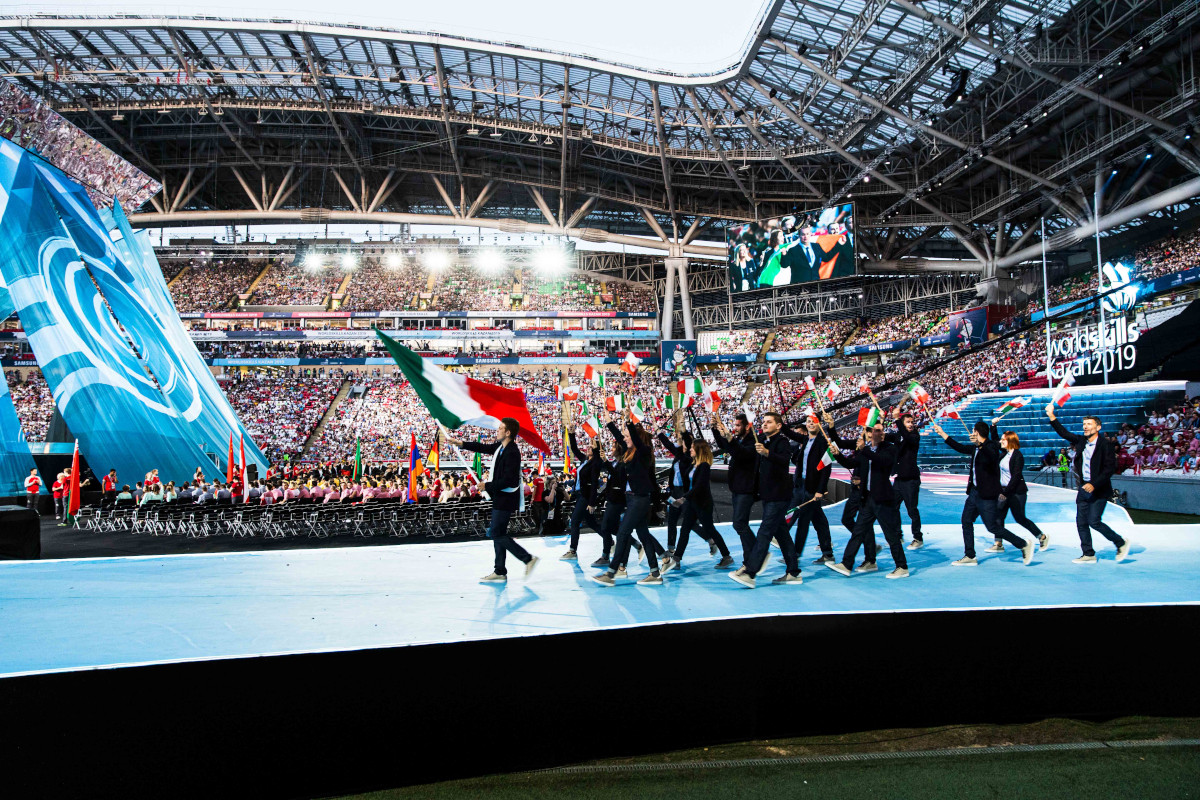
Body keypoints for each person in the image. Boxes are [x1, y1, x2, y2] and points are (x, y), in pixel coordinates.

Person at [446, 418, 540, 584]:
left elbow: (509, 480)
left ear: (508, 433)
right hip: (500, 497)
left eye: (501, 428)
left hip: (506, 498)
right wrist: (460, 443)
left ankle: (527, 558)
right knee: (499, 534)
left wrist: (487, 486)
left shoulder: (512, 452)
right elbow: (483, 448)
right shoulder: (500, 448)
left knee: (495, 533)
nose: (498, 431)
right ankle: (500, 571)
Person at [931, 419, 1033, 566]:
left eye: (973, 431)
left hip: (987, 495)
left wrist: (980, 444)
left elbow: (990, 457)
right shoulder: (975, 448)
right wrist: (942, 434)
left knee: (992, 527)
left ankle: (1023, 544)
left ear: (977, 433)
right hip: (974, 493)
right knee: (966, 520)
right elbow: (959, 447)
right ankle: (970, 555)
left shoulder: (991, 446)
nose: (972, 434)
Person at [826, 421, 910, 579]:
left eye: (880, 431)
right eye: (874, 430)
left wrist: (864, 450)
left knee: (891, 535)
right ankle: (846, 564)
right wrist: (837, 454)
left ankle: (902, 566)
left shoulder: (890, 449)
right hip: (868, 498)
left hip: (883, 499)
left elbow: (882, 462)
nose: (878, 433)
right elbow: (851, 463)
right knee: (858, 532)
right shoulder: (865, 451)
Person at [1047, 407, 1130, 563]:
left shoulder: (1106, 445)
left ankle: (1120, 542)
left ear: (1098, 427)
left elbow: (1109, 469)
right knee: (1081, 522)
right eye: (1084, 424)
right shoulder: (1081, 441)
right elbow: (1064, 433)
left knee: (1094, 521)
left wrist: (1094, 484)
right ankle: (1088, 554)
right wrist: (1052, 416)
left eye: (1089, 424)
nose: (1085, 426)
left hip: (1099, 488)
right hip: (1084, 488)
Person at [730, 411, 803, 588]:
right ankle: (793, 572)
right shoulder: (761, 440)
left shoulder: (782, 442)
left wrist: (767, 453)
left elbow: (785, 460)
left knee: (764, 532)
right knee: (782, 535)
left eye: (769, 422)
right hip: (768, 494)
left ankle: (751, 572)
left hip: (779, 495)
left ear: (778, 426)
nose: (764, 424)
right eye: (763, 422)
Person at [592, 412, 664, 587]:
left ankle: (611, 573)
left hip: (640, 500)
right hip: (632, 499)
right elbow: (620, 437)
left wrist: (629, 423)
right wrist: (609, 423)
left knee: (623, 533)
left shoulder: (644, 452)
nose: (623, 439)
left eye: (627, 436)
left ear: (634, 437)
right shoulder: (629, 452)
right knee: (644, 536)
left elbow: (636, 441)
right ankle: (655, 573)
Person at [661, 439, 733, 573]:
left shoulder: (704, 466)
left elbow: (699, 486)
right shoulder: (693, 464)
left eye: (693, 447)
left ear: (699, 450)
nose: (690, 449)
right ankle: (676, 559)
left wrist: (684, 497)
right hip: (692, 502)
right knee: (685, 530)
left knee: (710, 529)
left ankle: (726, 556)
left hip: (702, 503)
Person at [779, 412, 834, 565]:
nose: (810, 424)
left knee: (803, 521)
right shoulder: (805, 439)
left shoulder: (823, 442)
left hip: (811, 489)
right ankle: (827, 553)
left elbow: (826, 469)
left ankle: (794, 555)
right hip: (800, 486)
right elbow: (789, 432)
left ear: (819, 424)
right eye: (808, 421)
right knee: (819, 521)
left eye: (813, 422)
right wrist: (779, 420)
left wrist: (820, 490)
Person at [987, 425, 1049, 554]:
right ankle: (998, 543)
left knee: (1020, 518)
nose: (1001, 441)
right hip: (1004, 491)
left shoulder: (1017, 456)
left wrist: (1006, 492)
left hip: (1016, 492)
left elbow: (1015, 476)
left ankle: (1042, 537)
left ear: (1010, 441)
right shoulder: (1003, 454)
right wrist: (993, 426)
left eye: (1004, 439)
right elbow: (994, 440)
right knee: (998, 517)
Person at [711, 412, 759, 566]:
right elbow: (724, 445)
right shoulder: (740, 439)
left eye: (738, 425)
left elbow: (742, 453)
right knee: (741, 524)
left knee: (739, 524)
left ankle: (757, 554)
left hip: (746, 489)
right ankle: (751, 558)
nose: (735, 428)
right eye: (735, 425)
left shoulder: (753, 441)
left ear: (747, 426)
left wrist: (730, 438)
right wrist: (715, 429)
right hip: (738, 488)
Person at [560, 429, 604, 561]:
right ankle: (609, 541)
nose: (588, 448)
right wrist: (572, 433)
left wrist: (591, 502)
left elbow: (595, 484)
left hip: (585, 496)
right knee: (592, 523)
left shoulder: (596, 463)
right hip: (579, 495)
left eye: (591, 447)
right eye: (588, 446)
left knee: (574, 521)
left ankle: (573, 551)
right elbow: (573, 447)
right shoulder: (584, 460)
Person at [887, 403, 924, 548]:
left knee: (912, 510)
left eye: (912, 422)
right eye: (907, 422)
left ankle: (918, 538)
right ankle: (898, 534)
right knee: (893, 508)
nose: (911, 424)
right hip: (899, 479)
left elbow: (907, 437)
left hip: (911, 480)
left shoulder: (915, 437)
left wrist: (897, 420)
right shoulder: (898, 436)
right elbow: (885, 436)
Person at [657, 421, 693, 556]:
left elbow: (669, 445)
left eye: (682, 441)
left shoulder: (687, 458)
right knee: (671, 520)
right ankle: (671, 548)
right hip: (675, 491)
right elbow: (670, 445)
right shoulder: (679, 456)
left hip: (684, 492)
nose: (680, 443)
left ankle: (710, 539)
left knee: (689, 522)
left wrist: (659, 432)